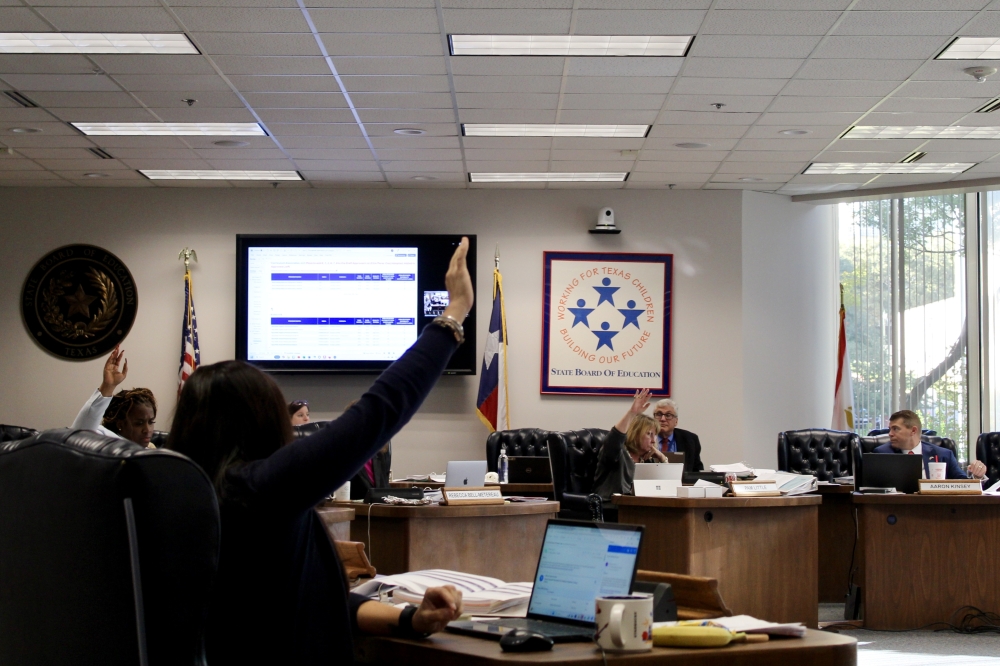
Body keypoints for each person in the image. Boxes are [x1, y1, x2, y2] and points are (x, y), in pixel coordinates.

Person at [166, 237, 474, 666]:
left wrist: (410, 618)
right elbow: (378, 411)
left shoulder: (197, 496)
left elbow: (313, 602)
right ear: (262, 420)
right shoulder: (256, 490)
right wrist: (453, 316)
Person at [71, 345, 157, 447]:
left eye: (151, 422)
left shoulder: (151, 450)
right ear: (120, 424)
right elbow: (80, 434)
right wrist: (108, 386)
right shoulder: (105, 440)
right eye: (139, 423)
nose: (147, 430)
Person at [592, 388, 667, 503]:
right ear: (636, 434)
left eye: (655, 435)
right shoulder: (617, 453)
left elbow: (666, 487)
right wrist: (632, 412)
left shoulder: (647, 460)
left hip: (638, 508)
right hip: (612, 508)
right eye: (649, 434)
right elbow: (615, 437)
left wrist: (662, 459)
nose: (653, 440)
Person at [874, 410, 988, 483]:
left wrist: (977, 476)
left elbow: (963, 483)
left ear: (913, 430)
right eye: (890, 429)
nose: (890, 434)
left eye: (895, 429)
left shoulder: (943, 454)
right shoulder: (882, 453)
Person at [652, 398, 704, 473]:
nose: (663, 419)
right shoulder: (644, 439)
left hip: (682, 483)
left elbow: (696, 471)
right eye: (659, 414)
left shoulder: (690, 439)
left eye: (668, 415)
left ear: (676, 421)